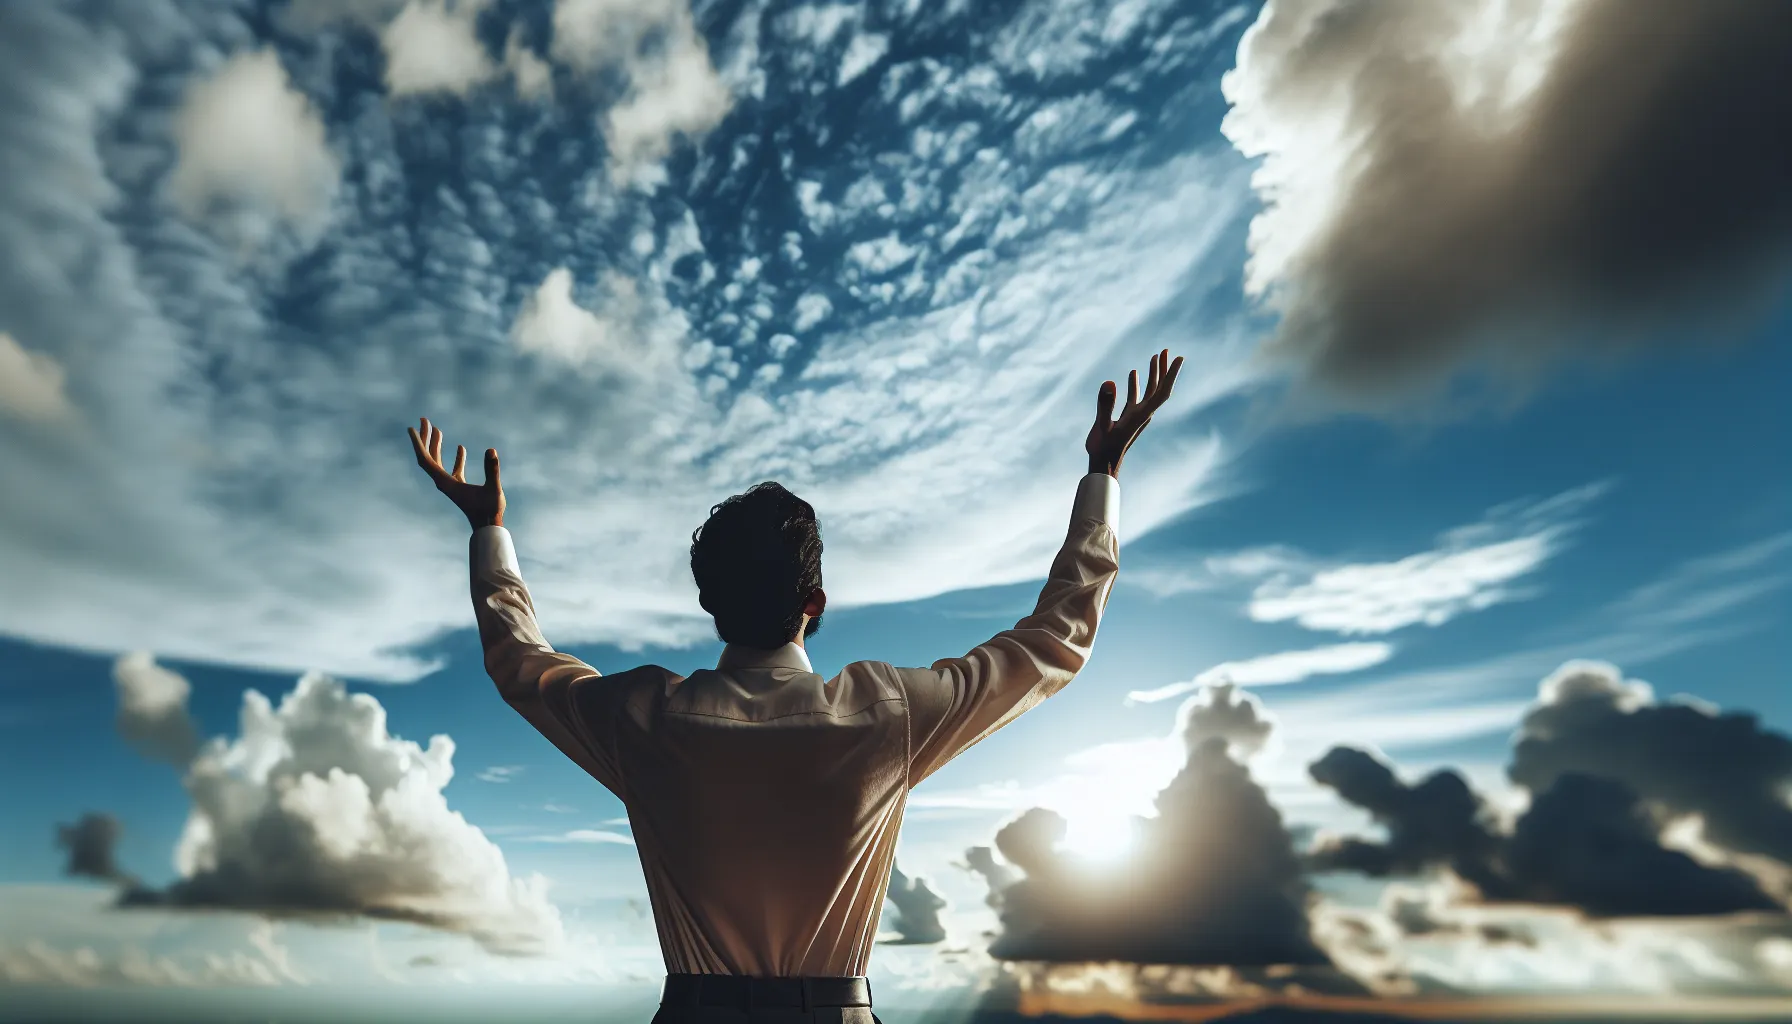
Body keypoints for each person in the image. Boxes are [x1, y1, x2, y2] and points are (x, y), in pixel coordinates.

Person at [408, 350, 1183, 1023]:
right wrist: (1102, 475)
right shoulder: (888, 712)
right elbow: (1055, 641)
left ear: (709, 605)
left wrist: (488, 529)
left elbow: (519, 661)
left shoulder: (645, 716)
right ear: (814, 604)